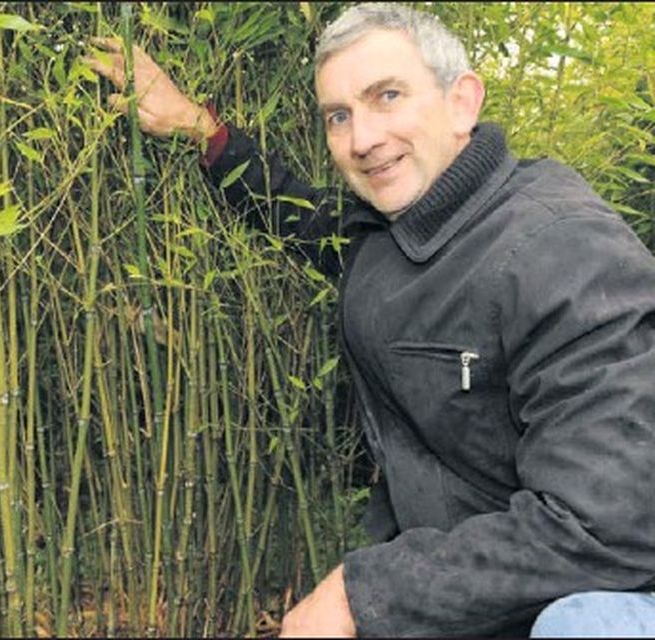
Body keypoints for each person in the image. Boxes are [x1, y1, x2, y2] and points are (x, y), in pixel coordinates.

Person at [84, 4, 655, 637]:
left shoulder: (564, 251)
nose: (362, 139)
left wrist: (365, 593)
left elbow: (609, 528)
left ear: (462, 102)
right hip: (491, 586)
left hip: (604, 590)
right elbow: (302, 216)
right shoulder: (396, 227)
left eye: (388, 96)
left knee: (585, 624)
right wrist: (200, 128)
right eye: (339, 115)